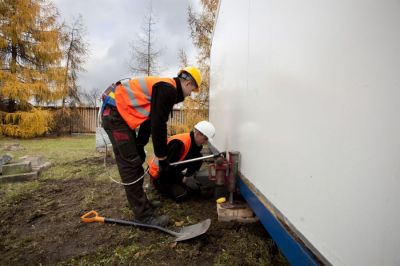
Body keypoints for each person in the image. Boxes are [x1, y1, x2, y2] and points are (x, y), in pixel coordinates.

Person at [100, 66, 202, 227]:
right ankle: (144, 216)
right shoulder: (167, 89)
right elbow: (158, 125)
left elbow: (149, 119)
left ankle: (143, 203)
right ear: (188, 83)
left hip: (118, 114)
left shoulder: (165, 87)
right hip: (115, 115)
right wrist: (162, 158)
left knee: (137, 158)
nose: (190, 95)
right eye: (192, 90)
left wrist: (140, 144)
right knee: (130, 164)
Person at [147, 121, 215, 202]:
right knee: (182, 195)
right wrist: (180, 180)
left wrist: (186, 178)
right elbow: (165, 168)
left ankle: (178, 185)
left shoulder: (196, 146)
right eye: (206, 138)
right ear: (198, 133)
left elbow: (192, 163)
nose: (206, 142)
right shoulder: (179, 144)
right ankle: (157, 187)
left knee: (194, 188)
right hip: (159, 174)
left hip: (171, 172)